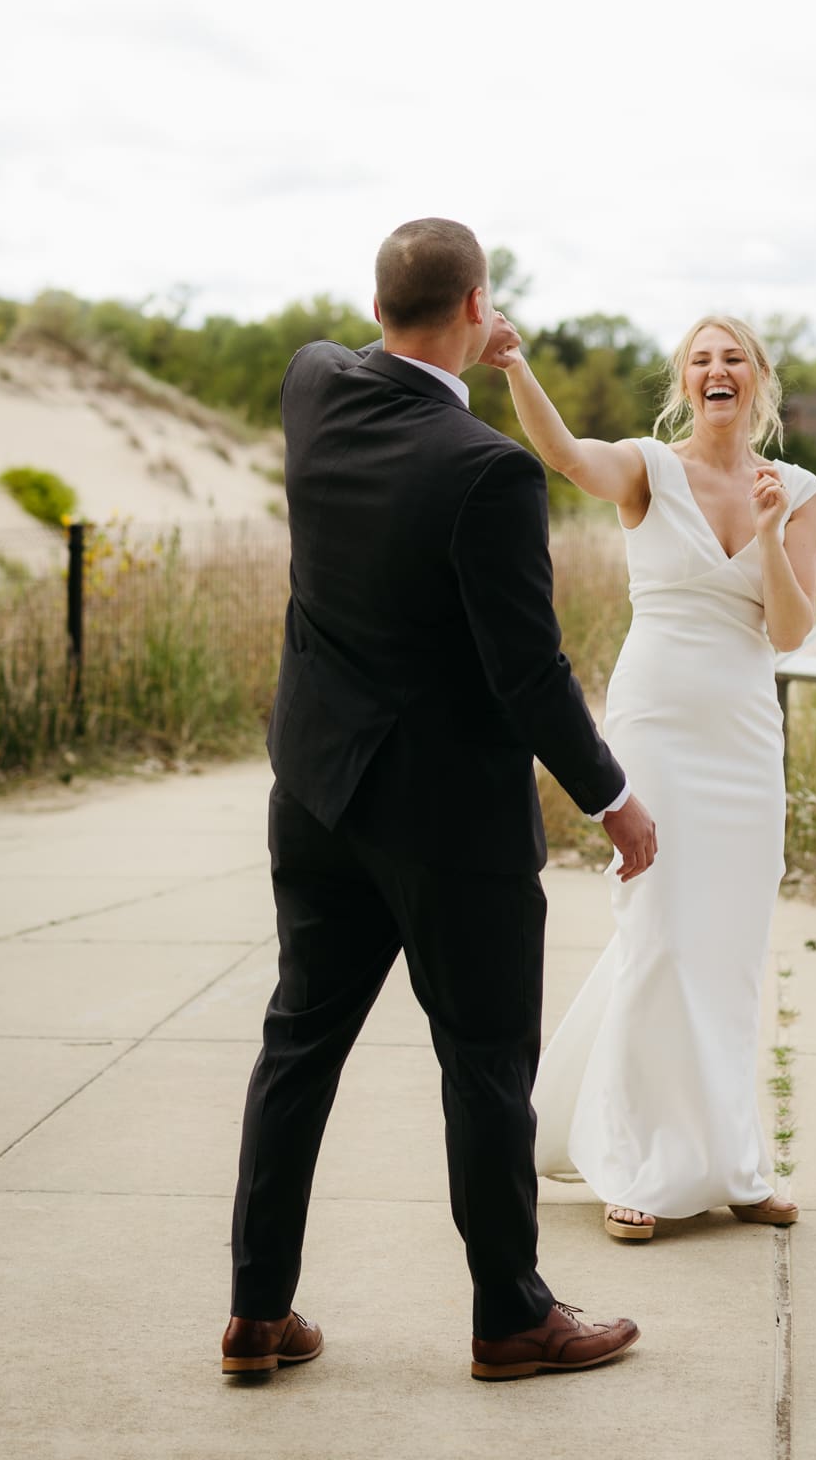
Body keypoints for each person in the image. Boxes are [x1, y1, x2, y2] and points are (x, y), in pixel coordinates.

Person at [223, 219, 656, 1382]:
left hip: (317, 792)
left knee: (297, 1044)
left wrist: (456, 329)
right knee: (482, 1060)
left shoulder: (313, 392)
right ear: (477, 303)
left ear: (376, 307)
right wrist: (611, 794)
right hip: (448, 821)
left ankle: (256, 1311)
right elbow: (527, 672)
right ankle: (511, 1315)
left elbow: (334, 346)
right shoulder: (487, 469)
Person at [484, 313, 816, 1241]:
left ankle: (736, 1165)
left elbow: (790, 633)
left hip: (745, 736)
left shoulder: (793, 488)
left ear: (759, 380)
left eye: (734, 358)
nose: (719, 371)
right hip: (658, 727)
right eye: (701, 360)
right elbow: (562, 456)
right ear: (685, 383)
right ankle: (631, 1160)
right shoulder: (647, 466)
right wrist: (514, 363)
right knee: (661, 931)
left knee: (729, 947)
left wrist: (766, 527)